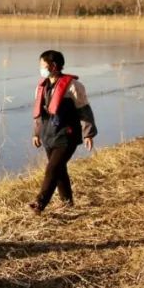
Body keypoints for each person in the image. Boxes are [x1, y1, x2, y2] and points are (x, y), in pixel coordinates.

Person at [29, 50, 97, 214]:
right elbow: (39, 115)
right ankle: (67, 203)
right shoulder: (41, 87)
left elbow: (84, 111)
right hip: (48, 135)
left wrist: (88, 134)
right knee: (59, 170)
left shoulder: (73, 86)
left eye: (43, 65)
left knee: (52, 169)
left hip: (67, 136)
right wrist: (36, 133)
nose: (41, 69)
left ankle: (40, 203)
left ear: (53, 66)